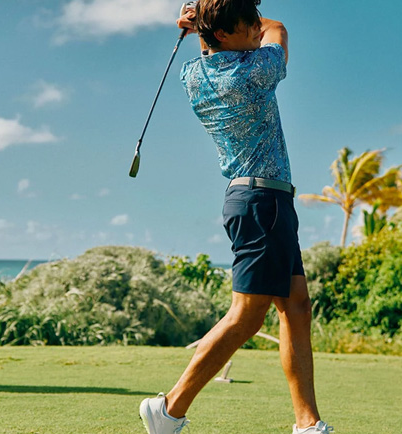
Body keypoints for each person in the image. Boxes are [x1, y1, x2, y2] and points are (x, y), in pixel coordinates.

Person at [138, 2, 332, 434]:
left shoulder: (193, 75)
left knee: (296, 307)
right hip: (263, 203)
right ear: (226, 34)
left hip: (261, 201)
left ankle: (307, 422)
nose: (255, 34)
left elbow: (225, 43)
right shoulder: (254, 71)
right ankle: (169, 407)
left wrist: (204, 24)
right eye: (247, 28)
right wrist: (205, 22)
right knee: (246, 315)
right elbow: (277, 27)